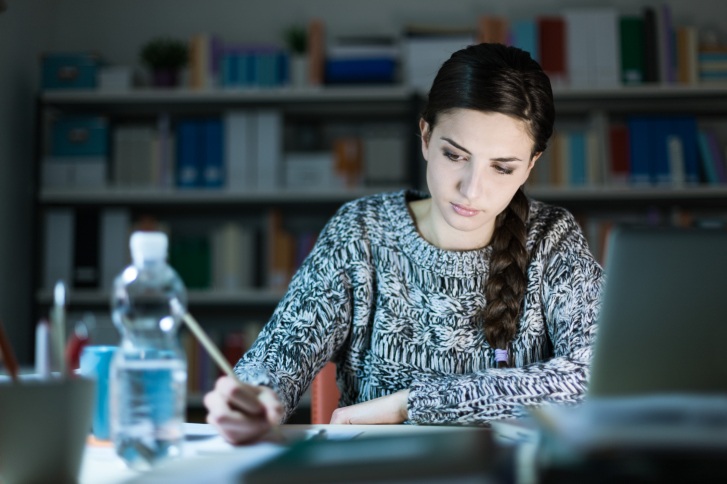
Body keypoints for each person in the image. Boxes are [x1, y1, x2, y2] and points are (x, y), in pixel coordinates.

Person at [203, 42, 605, 445]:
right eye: (455, 155)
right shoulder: (362, 231)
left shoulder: (553, 238)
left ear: (530, 165)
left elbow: (598, 374)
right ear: (426, 137)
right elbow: (278, 356)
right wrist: (254, 395)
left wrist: (410, 404)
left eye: (502, 168)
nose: (471, 190)